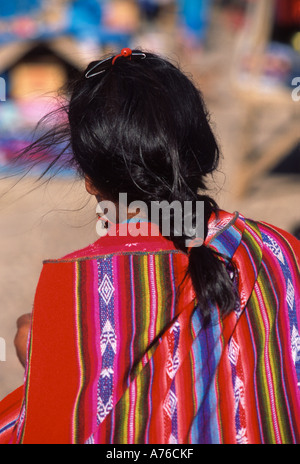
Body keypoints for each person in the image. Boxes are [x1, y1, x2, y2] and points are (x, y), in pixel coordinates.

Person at [0, 48, 299, 444]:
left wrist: (36, 346)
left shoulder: (77, 288)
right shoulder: (279, 250)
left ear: (89, 178)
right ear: (202, 153)